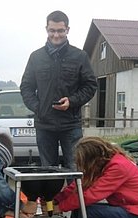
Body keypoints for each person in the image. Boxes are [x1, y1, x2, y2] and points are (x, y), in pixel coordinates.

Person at [20, 10, 97, 170]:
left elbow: (90, 86)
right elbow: (26, 87)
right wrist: (38, 107)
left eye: (60, 30)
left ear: (67, 30)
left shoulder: (80, 56)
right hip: (44, 125)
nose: (56, 35)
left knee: (75, 168)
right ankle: (51, 196)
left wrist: (72, 101)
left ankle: (75, 196)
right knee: (48, 171)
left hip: (71, 124)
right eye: (52, 30)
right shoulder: (36, 57)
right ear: (46, 29)